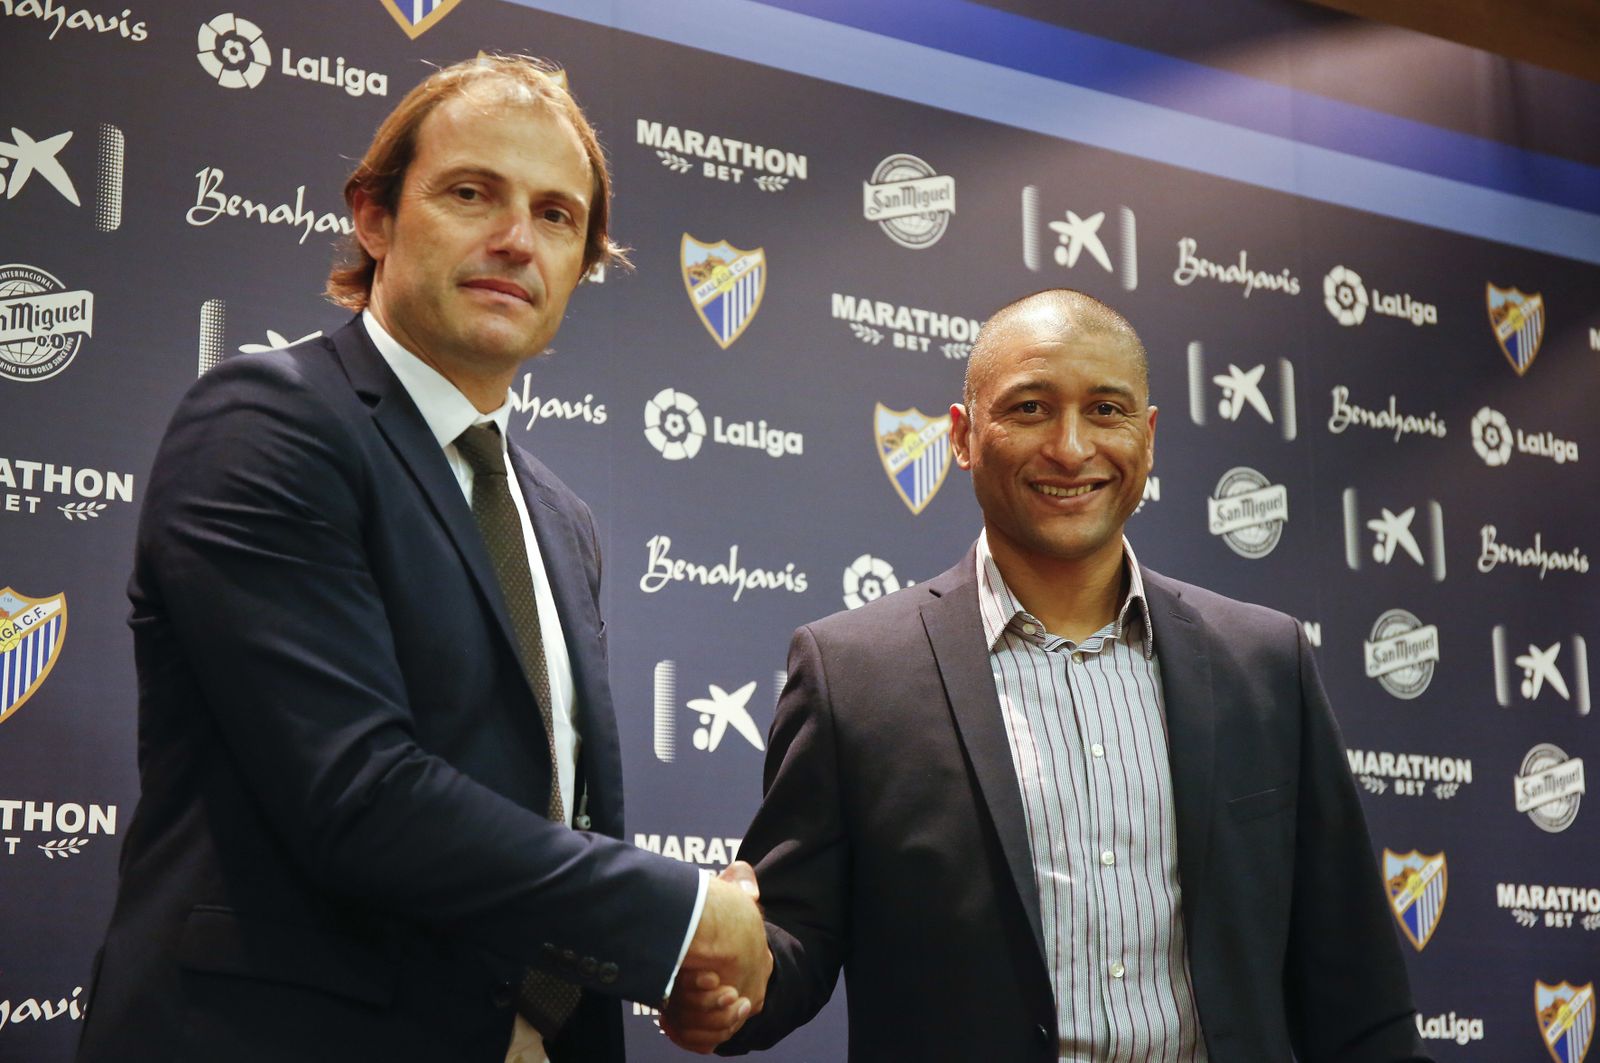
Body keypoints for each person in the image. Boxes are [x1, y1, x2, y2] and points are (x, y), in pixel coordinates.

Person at [78, 56, 768, 1063]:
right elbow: (357, 794)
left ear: (583, 263)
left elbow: (547, 819)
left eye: (555, 215)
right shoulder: (267, 422)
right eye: (470, 193)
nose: (513, 240)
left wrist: (665, 960)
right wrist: (677, 913)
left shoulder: (561, 518)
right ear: (373, 216)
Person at [668, 289, 1428, 1060]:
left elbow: (1358, 993)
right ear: (962, 437)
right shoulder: (852, 671)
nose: (1071, 447)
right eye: (1030, 408)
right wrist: (726, 977)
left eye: (1106, 410)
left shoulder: (1264, 662)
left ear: (1149, 435)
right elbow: (790, 946)